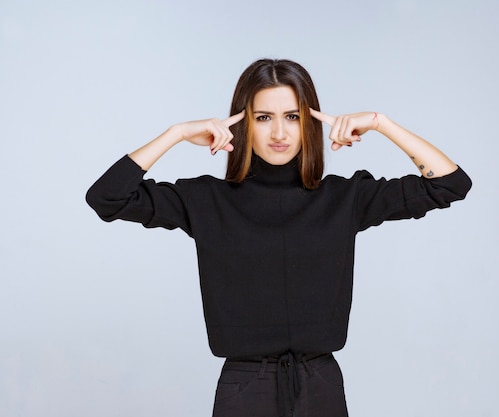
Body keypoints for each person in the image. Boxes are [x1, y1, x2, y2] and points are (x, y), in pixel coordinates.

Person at [86, 58, 472, 417]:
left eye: (292, 116)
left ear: (308, 122)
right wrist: (176, 134)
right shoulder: (206, 200)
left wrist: (380, 123)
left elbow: (450, 184)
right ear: (243, 124)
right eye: (263, 117)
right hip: (244, 388)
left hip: (320, 384)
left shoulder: (345, 197)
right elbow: (106, 197)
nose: (278, 132)